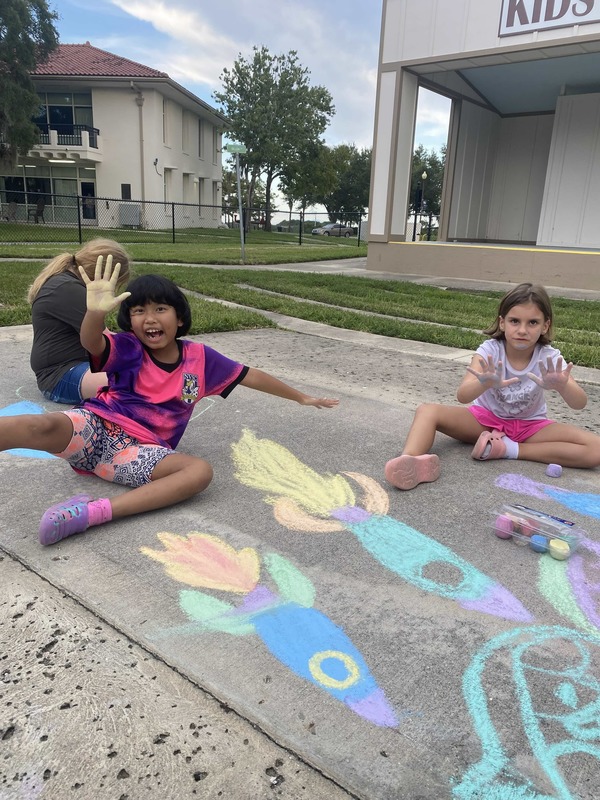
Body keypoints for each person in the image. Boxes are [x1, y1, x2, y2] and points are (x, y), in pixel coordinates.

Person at [2, 256, 339, 545]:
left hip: (136, 454)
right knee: (42, 424)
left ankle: (91, 513)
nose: (150, 318)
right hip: (95, 428)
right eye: (139, 311)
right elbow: (92, 341)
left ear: (179, 318)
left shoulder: (200, 358)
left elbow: (250, 375)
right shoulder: (129, 348)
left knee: (199, 472)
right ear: (130, 322)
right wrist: (94, 313)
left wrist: (301, 397)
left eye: (160, 309)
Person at [384, 282, 600, 490]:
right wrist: (484, 383)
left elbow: (579, 403)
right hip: (485, 422)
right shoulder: (490, 350)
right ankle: (410, 461)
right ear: (502, 323)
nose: (522, 330)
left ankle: (509, 449)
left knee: (596, 448)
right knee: (427, 411)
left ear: (545, 326)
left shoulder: (549, 357)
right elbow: (463, 395)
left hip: (531, 426)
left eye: (532, 322)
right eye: (514, 321)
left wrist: (563, 386)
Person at [28, 238, 131, 404]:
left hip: (75, 366)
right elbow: (106, 343)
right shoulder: (68, 288)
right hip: (60, 374)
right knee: (134, 380)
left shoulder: (64, 281)